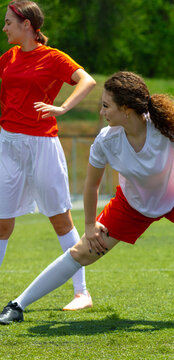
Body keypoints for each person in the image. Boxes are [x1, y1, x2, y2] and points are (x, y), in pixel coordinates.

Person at [0, 71, 174, 325]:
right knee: (82, 252)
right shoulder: (106, 140)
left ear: (125, 109)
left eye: (105, 105)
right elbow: (92, 185)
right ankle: (17, 305)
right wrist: (90, 225)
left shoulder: (166, 130)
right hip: (131, 205)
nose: (102, 112)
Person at [0, 1, 96, 311]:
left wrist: (62, 107)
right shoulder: (7, 58)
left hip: (42, 144)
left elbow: (87, 80)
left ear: (26, 24)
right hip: (8, 144)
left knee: (60, 220)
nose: (4, 29)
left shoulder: (53, 58)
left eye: (8, 23)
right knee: (1, 223)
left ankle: (82, 293)